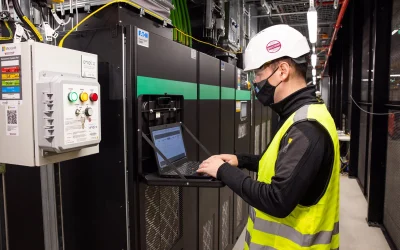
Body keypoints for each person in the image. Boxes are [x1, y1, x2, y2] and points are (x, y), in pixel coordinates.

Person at [197, 24, 340, 250]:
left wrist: (223, 171)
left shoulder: (306, 128)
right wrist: (241, 160)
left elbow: (277, 200)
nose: (254, 82)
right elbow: (283, 165)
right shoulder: (302, 114)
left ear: (282, 71)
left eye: (259, 74)